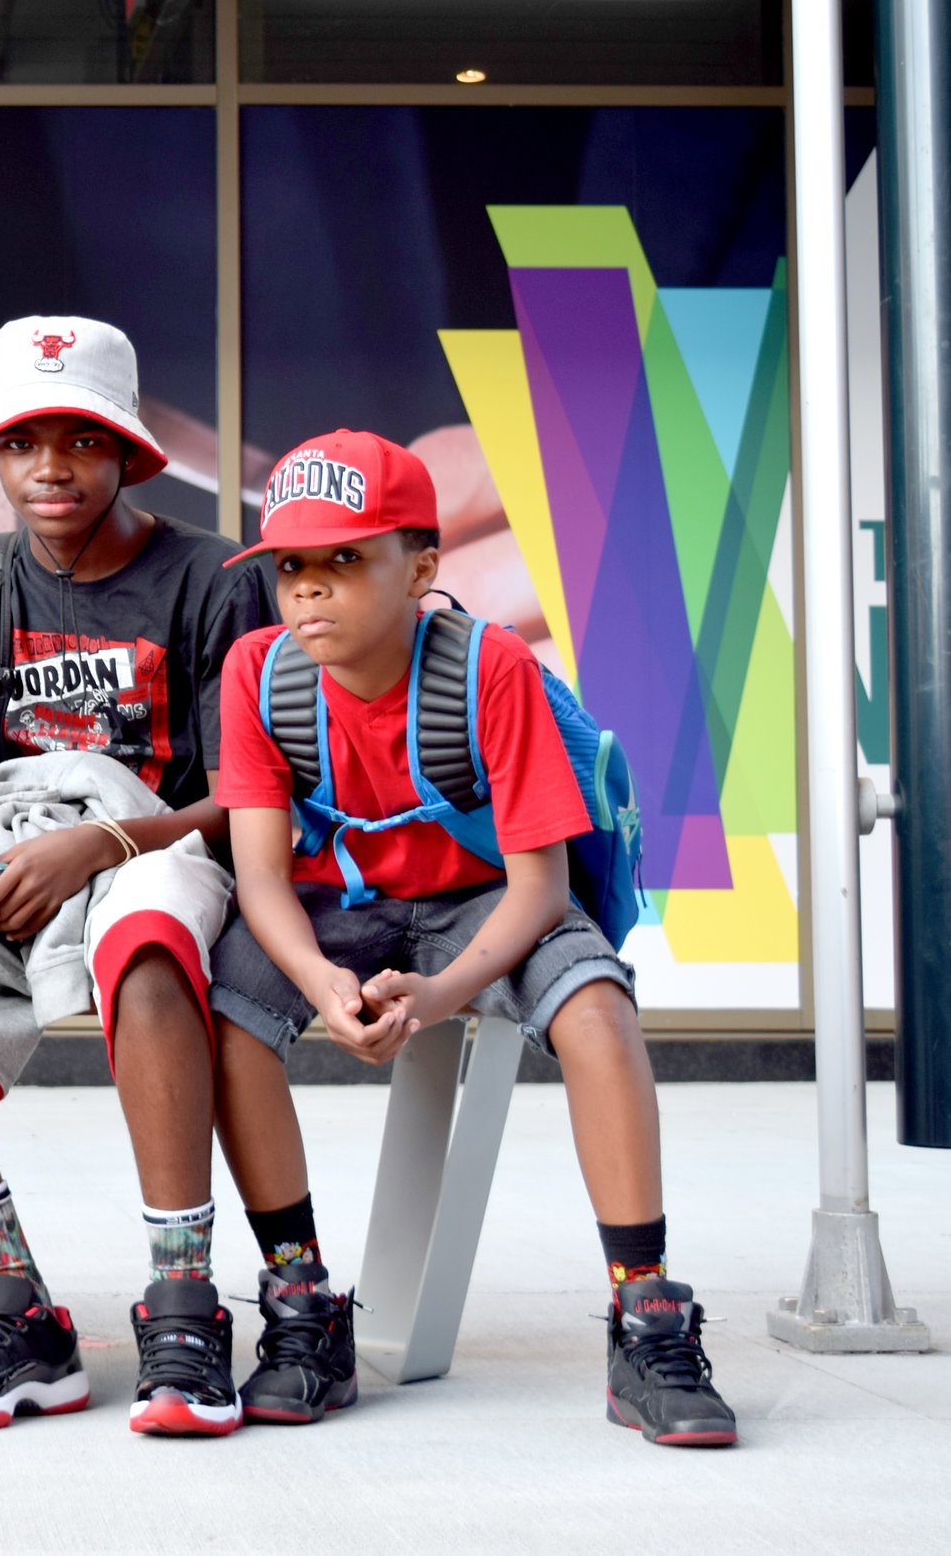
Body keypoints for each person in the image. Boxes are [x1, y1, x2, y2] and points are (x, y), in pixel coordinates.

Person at [0, 316, 353, 1439]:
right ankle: (12, 1301)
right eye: (25, 441)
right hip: (10, 853)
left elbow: (242, 799)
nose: (52, 466)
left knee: (152, 930)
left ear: (130, 452)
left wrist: (102, 845)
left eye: (81, 438)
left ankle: (181, 1302)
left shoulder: (212, 574)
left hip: (162, 847)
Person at [210, 427, 738, 1447]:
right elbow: (262, 876)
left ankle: (647, 1310)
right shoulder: (257, 674)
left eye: (344, 561)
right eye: (290, 567)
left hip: (484, 902)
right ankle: (300, 1302)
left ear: (419, 566)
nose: (309, 591)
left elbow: (540, 884)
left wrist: (443, 991)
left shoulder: (485, 663)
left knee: (596, 1006)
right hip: (337, 905)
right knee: (226, 1010)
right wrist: (320, 977)